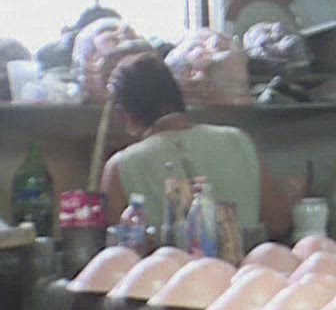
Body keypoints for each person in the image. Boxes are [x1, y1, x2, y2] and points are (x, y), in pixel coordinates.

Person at [101, 54, 291, 242]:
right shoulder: (237, 139)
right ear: (177, 95)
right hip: (247, 261)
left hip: (165, 263)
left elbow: (119, 248)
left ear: (123, 113)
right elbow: (279, 223)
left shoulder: (120, 166)